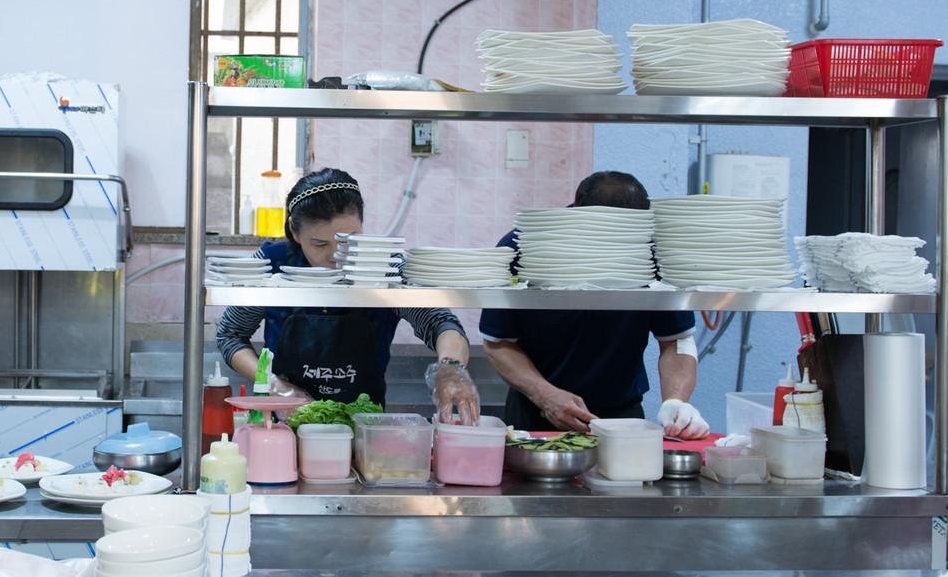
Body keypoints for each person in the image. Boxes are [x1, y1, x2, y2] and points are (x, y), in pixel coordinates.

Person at [216, 169, 481, 424]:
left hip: (364, 431)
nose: (335, 255)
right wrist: (274, 386)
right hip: (281, 428)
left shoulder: (385, 266)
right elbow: (230, 334)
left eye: (348, 241)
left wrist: (451, 367)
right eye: (320, 244)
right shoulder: (271, 263)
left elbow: (441, 323)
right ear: (295, 233)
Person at [479, 171, 710, 439]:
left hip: (621, 414)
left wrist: (675, 402)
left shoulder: (653, 252)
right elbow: (498, 343)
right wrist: (544, 395)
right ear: (579, 216)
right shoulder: (524, 246)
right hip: (536, 411)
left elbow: (676, 341)